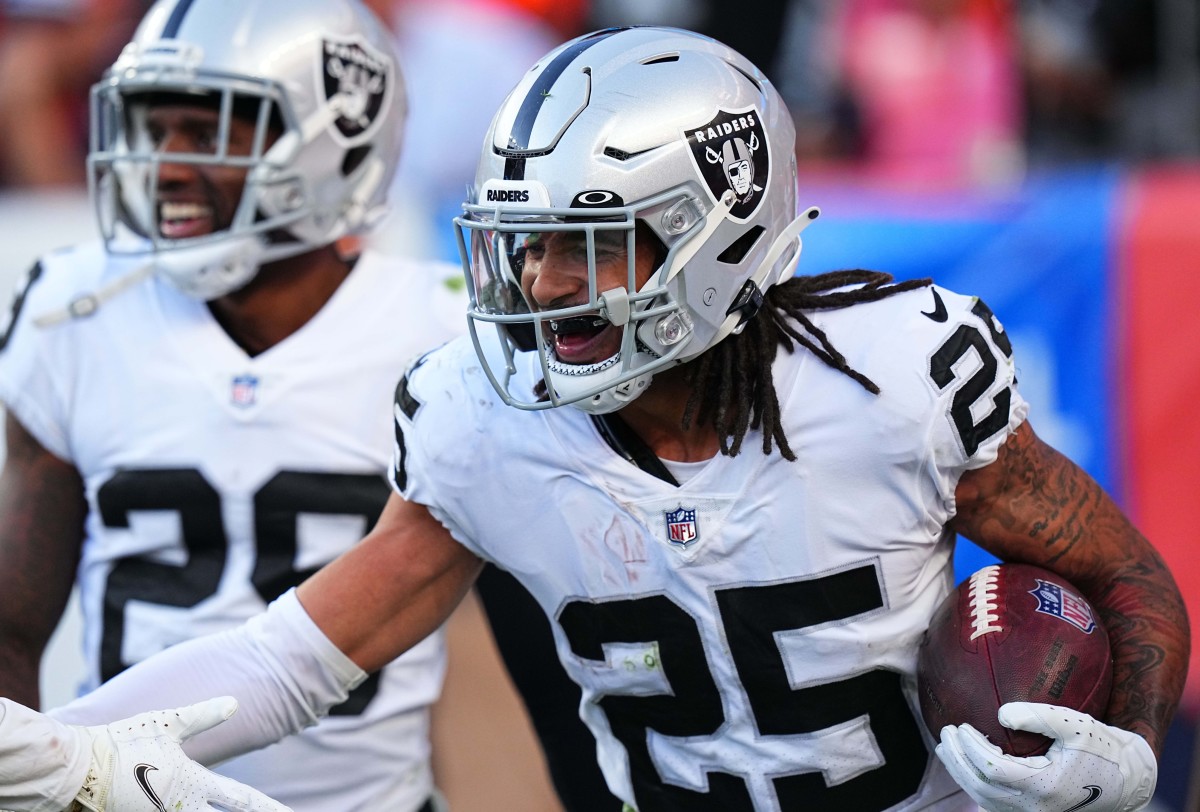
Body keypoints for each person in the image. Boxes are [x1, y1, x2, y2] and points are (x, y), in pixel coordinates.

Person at [0, 24, 1189, 812]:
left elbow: (1134, 578)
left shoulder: (893, 377)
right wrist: (73, 744)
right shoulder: (486, 419)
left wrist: (1130, 744)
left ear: (719, 235)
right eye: (525, 250)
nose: (546, 289)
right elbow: (292, 656)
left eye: (590, 247)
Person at [0, 0, 465, 810]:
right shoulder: (72, 315)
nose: (167, 166)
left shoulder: (446, 337)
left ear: (338, 137)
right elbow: (10, 628)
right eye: (154, 130)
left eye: (209, 130)